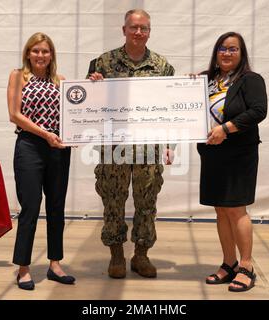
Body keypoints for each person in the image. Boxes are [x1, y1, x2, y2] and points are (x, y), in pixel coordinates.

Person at [87, 9, 175, 279]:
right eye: (134, 27)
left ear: (150, 31)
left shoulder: (163, 67)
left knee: (146, 201)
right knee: (113, 200)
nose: (139, 32)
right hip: (114, 146)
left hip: (149, 147)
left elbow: (171, 108)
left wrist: (171, 144)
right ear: (123, 29)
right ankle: (116, 255)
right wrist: (93, 87)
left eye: (144, 28)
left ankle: (141, 255)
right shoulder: (102, 62)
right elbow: (87, 106)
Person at [196, 32, 267, 292]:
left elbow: (258, 111)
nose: (227, 53)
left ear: (241, 53)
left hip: (239, 153)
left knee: (236, 209)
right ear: (216, 52)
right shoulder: (206, 80)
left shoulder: (250, 80)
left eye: (233, 49)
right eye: (222, 49)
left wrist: (226, 129)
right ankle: (229, 264)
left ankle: (246, 266)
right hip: (212, 153)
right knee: (221, 210)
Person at [7, 32, 75, 290]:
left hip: (58, 148)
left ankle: (55, 264)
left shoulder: (62, 81)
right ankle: (23, 268)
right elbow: (14, 114)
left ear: (51, 55)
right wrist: (45, 134)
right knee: (31, 206)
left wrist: (75, 134)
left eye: (45, 51)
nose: (40, 55)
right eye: (36, 51)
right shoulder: (18, 76)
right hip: (30, 146)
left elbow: (76, 114)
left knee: (57, 207)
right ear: (28, 53)